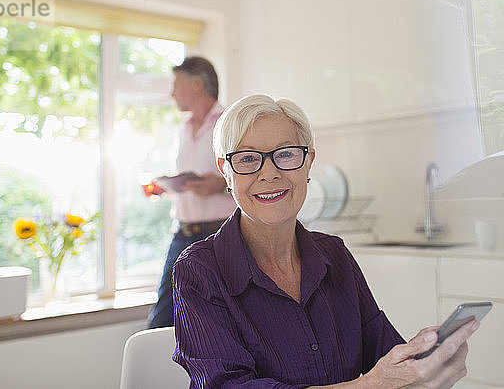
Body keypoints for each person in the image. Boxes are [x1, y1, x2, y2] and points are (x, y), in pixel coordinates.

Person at [171, 94, 479, 387]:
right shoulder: (199, 271)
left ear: (308, 163)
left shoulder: (335, 255)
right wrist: (371, 385)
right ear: (226, 171)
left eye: (286, 154)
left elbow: (384, 355)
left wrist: (424, 370)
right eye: (248, 158)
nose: (269, 173)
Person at [148, 56, 236, 329]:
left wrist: (222, 184)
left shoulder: (230, 123)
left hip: (219, 235)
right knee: (164, 315)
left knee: (222, 318)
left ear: (197, 84)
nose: (172, 93)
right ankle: (156, 371)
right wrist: (167, 188)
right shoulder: (184, 129)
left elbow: (252, 172)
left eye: (176, 84)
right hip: (183, 232)